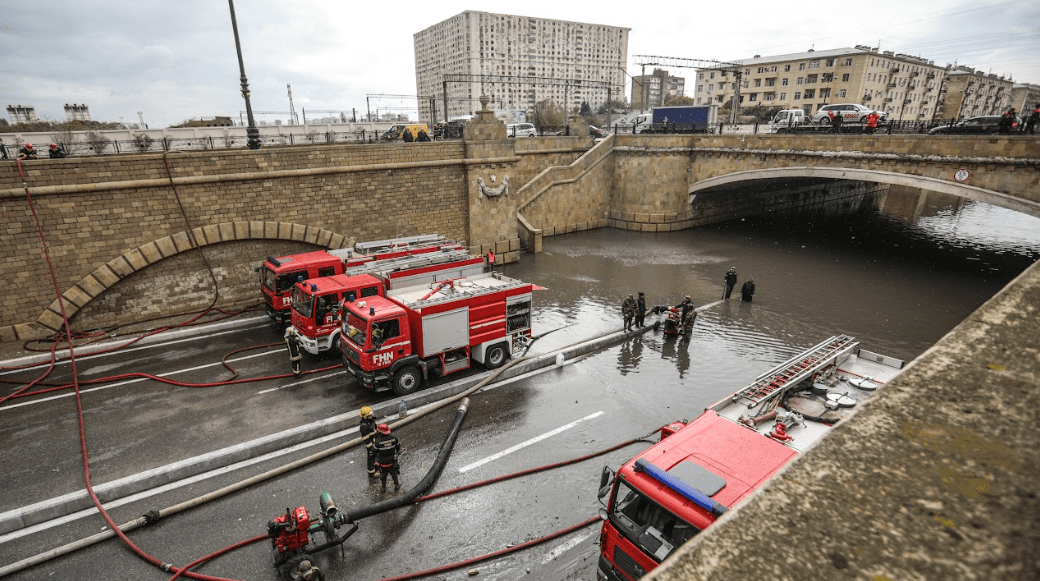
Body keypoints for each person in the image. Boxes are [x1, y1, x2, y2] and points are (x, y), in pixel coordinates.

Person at [372, 423, 401, 492]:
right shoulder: (394, 438)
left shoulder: (378, 441)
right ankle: (396, 485)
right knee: (394, 474)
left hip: (383, 463)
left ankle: (383, 488)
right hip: (392, 461)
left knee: (383, 476)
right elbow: (398, 447)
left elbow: (373, 451)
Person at [359, 406, 379, 478]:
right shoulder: (364, 427)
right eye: (369, 415)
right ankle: (371, 472)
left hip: (375, 441)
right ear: (365, 416)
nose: (371, 416)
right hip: (371, 445)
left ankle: (377, 469)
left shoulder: (370, 422)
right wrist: (371, 448)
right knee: (371, 458)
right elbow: (366, 439)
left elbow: (375, 430)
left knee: (376, 456)